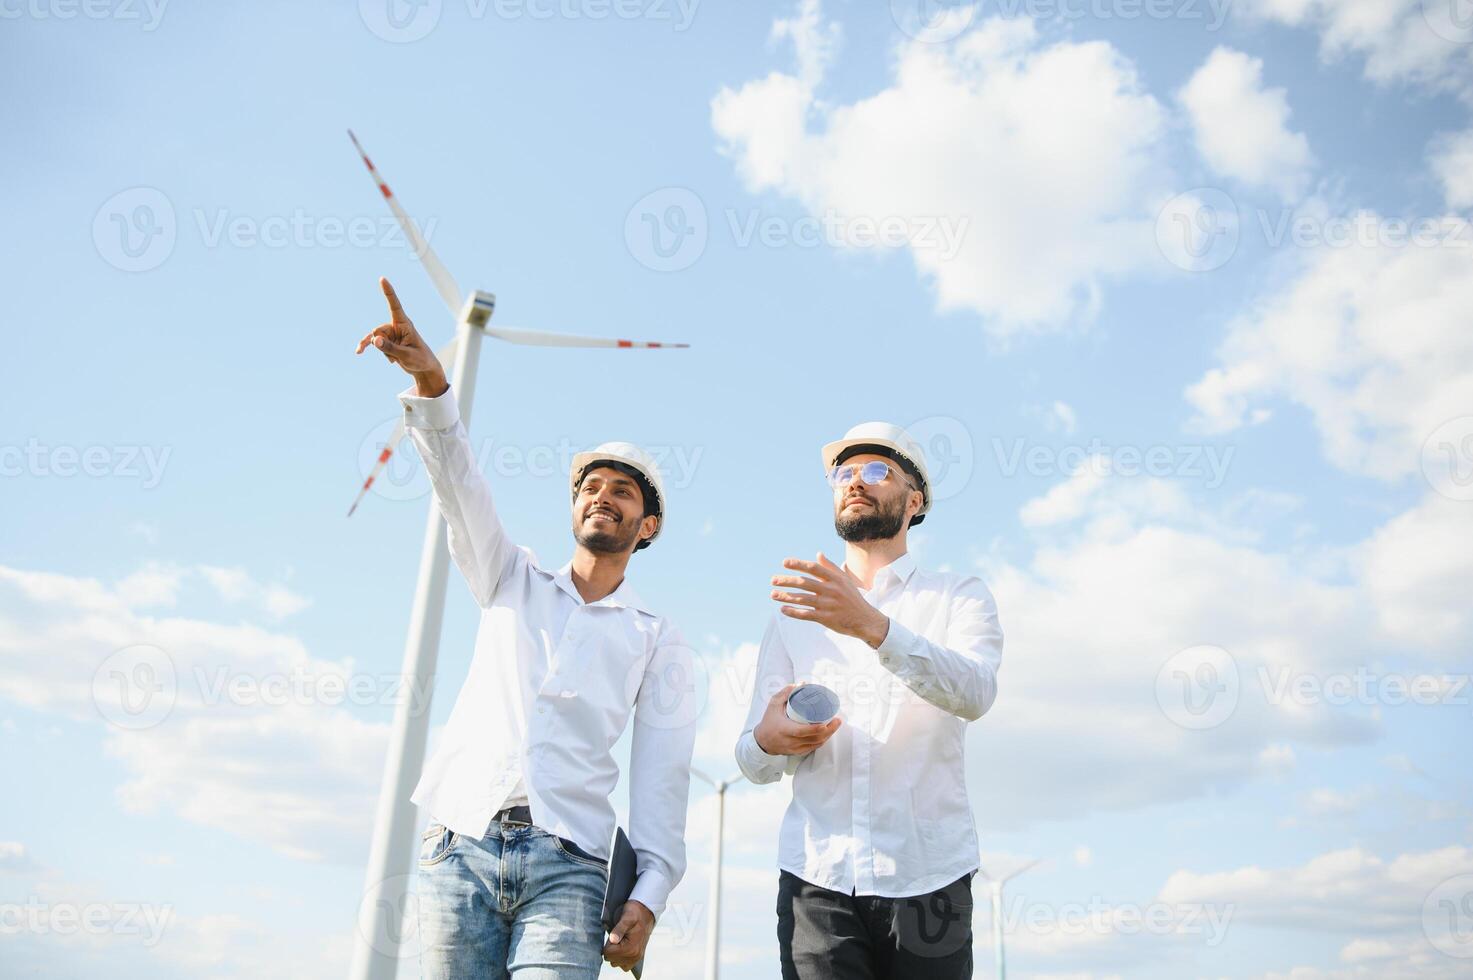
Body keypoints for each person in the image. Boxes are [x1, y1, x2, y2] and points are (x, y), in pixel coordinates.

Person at [356, 277, 696, 977]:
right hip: (460, 846)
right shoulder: (508, 577)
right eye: (591, 487)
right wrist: (431, 381)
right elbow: (460, 486)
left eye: (622, 490)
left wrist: (652, 892)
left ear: (647, 525)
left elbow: (662, 774)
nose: (602, 496)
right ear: (574, 507)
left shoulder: (656, 636)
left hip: (570, 867)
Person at [734, 421, 1004, 979]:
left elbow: (975, 693)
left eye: (878, 470)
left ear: (915, 500)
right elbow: (753, 760)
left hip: (930, 877)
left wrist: (872, 627)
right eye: (844, 473)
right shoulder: (792, 614)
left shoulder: (959, 596)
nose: (856, 482)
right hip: (817, 879)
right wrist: (767, 740)